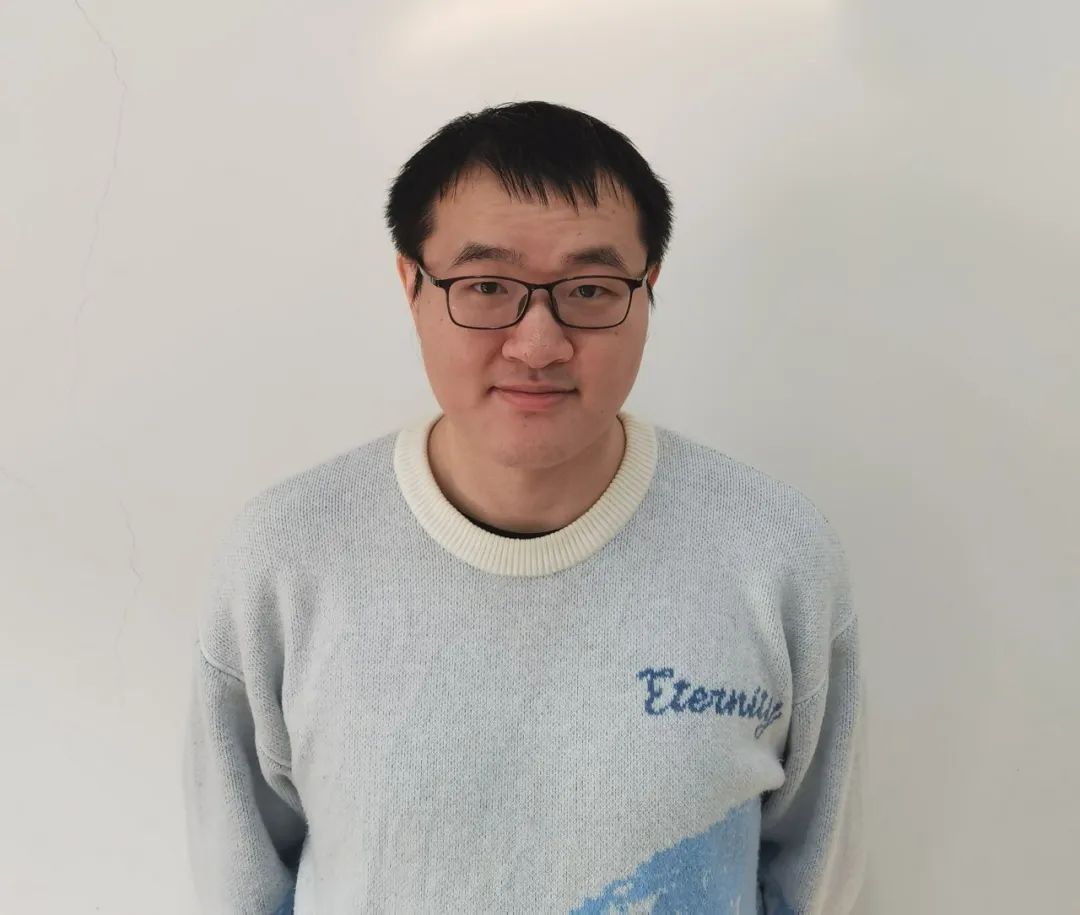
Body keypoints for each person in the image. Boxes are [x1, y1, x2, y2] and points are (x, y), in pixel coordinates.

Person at [182, 99, 866, 914]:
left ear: (647, 289)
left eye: (590, 288)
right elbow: (240, 881)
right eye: (486, 286)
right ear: (411, 284)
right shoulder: (285, 557)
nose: (538, 343)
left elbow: (820, 881)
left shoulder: (775, 554)